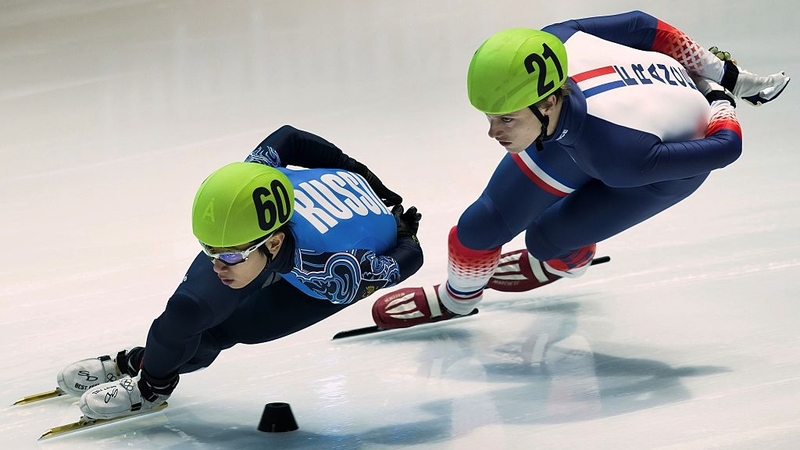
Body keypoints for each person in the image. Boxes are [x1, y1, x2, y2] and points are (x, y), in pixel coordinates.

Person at [372, 10, 789, 328]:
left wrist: (718, 96)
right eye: (489, 117)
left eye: (506, 120)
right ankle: (458, 299)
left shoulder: (618, 155)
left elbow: (726, 146)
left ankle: (570, 254)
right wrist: (724, 73)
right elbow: (645, 26)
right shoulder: (555, 41)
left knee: (545, 240)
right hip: (591, 127)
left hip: (655, 166)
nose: (493, 132)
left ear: (548, 101)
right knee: (479, 227)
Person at [56, 125, 424, 420]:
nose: (217, 264)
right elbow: (289, 136)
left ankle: (147, 384)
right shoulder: (256, 181)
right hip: (292, 224)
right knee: (189, 309)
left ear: (274, 245)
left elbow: (412, 257)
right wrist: (353, 167)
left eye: (228, 256)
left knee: (230, 330)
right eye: (209, 251)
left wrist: (405, 236)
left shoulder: (336, 274)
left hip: (329, 255)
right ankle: (147, 370)